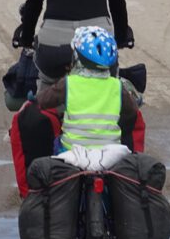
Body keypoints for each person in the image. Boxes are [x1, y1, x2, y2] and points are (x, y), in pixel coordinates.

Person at [36, 25, 140, 153]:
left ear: (77, 57)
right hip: (110, 152)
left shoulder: (69, 83)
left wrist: (32, 100)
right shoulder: (117, 86)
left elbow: (41, 101)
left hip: (71, 150)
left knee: (52, 143)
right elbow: (131, 113)